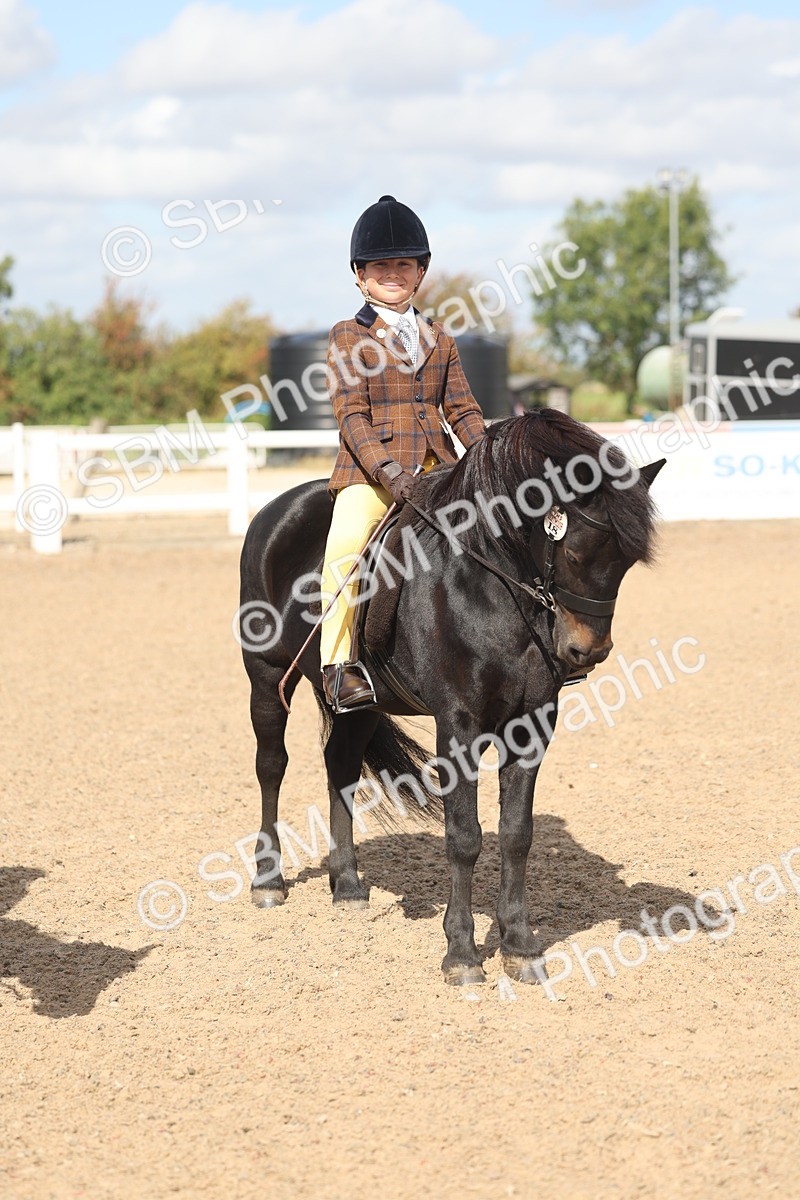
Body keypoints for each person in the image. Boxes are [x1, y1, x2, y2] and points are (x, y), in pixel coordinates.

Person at [320, 195, 487, 712]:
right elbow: (352, 416)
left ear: (420, 272)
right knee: (345, 547)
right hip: (371, 475)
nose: (392, 274)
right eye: (380, 266)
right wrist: (389, 472)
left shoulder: (440, 336)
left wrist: (488, 457)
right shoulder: (348, 335)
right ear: (360, 275)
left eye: (402, 264)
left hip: (439, 467)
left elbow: (462, 409)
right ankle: (339, 666)